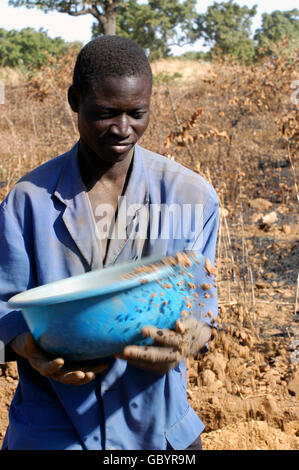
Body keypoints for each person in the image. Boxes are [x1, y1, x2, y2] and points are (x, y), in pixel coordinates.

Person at [0, 36, 219, 450]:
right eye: (104, 114)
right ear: (74, 100)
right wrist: (28, 348)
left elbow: (202, 303)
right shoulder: (27, 200)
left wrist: (190, 338)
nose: (123, 129)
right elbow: (4, 303)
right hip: (54, 429)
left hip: (154, 430)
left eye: (137, 113)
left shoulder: (191, 196)